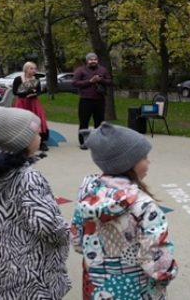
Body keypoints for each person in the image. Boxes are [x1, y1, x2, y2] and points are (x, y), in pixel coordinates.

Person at [0, 107, 71, 299]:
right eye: (35, 133)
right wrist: (66, 233)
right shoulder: (28, 178)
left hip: (2, 265)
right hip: (33, 271)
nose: (40, 135)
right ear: (21, 140)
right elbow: (48, 226)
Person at [71, 122, 178, 298]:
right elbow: (156, 260)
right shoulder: (144, 206)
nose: (148, 161)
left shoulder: (88, 194)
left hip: (97, 288)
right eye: (144, 157)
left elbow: (76, 240)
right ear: (127, 163)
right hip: (137, 290)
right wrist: (168, 273)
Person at [73, 52, 112, 149]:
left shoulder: (103, 70)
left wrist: (100, 80)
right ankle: (83, 142)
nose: (93, 61)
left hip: (99, 100)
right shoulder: (80, 70)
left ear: (97, 60)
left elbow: (110, 81)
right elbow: (75, 83)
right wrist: (90, 81)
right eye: (91, 60)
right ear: (87, 61)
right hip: (85, 100)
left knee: (99, 123)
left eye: (95, 59)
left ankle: (98, 143)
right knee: (84, 122)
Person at [13, 61, 49, 151]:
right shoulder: (18, 79)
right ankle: (22, 143)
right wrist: (26, 92)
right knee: (22, 121)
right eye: (31, 68)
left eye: (35, 68)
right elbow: (15, 92)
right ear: (26, 69)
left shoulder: (36, 79)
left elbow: (39, 91)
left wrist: (34, 94)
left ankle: (41, 142)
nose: (34, 70)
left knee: (39, 120)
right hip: (22, 103)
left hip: (33, 102)